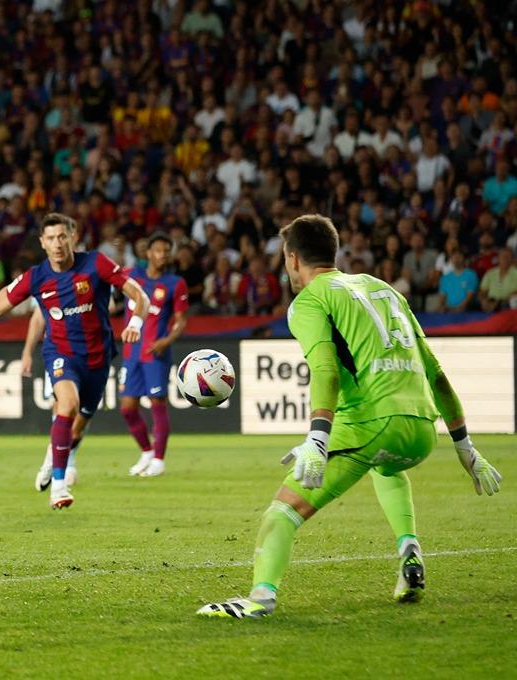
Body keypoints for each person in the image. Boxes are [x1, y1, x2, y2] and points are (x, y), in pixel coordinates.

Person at [198, 214, 502, 619]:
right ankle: (409, 549)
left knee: (282, 513)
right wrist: (466, 449)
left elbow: (324, 371)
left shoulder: (310, 300)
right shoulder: (384, 289)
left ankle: (259, 599)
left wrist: (318, 438)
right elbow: (437, 375)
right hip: (422, 432)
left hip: (371, 425)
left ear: (293, 259)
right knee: (386, 468)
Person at [0, 213, 148, 509]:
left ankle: (50, 458)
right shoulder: (36, 277)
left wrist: (135, 323)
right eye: (51, 238)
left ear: (73, 237)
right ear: (43, 242)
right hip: (60, 355)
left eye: (62, 236)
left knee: (77, 427)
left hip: (98, 357)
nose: (57, 243)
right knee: (66, 405)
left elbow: (139, 295)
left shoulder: (96, 263)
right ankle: (59, 485)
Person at [116, 232, 189, 478]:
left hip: (155, 353)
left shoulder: (175, 283)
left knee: (157, 403)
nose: (162, 255)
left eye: (167, 251)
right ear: (148, 253)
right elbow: (109, 278)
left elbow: (181, 320)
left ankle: (159, 460)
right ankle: (147, 452)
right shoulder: (132, 277)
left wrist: (166, 340)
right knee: (127, 408)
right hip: (131, 352)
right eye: (158, 250)